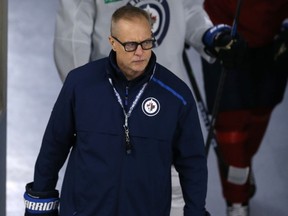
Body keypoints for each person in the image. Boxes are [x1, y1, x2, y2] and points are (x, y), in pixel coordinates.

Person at [52, 0, 236, 214]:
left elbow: (188, 9)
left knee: (176, 195)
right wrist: (88, 107)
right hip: (113, 120)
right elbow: (71, 39)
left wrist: (209, 35)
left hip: (168, 114)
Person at [200, 0, 288, 215]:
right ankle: (237, 203)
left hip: (274, 36)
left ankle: (242, 169)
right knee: (231, 130)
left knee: (259, 116)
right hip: (223, 34)